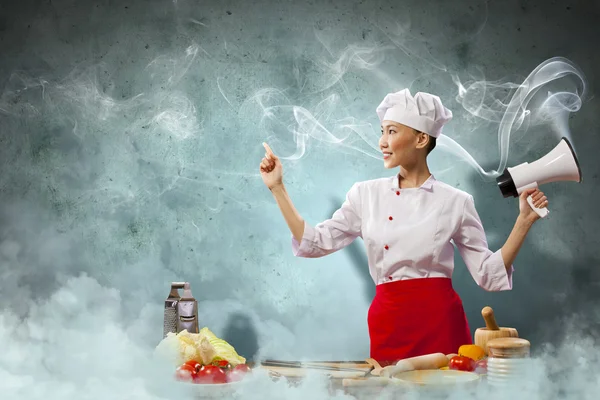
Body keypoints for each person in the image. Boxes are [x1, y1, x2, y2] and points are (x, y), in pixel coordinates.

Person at [259, 89, 548, 366]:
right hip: (389, 322)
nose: (382, 142)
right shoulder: (365, 194)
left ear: (421, 138)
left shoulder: (457, 202)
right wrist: (278, 189)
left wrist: (523, 221)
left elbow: (487, 274)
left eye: (392, 131)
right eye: (382, 131)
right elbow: (315, 242)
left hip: (440, 322)